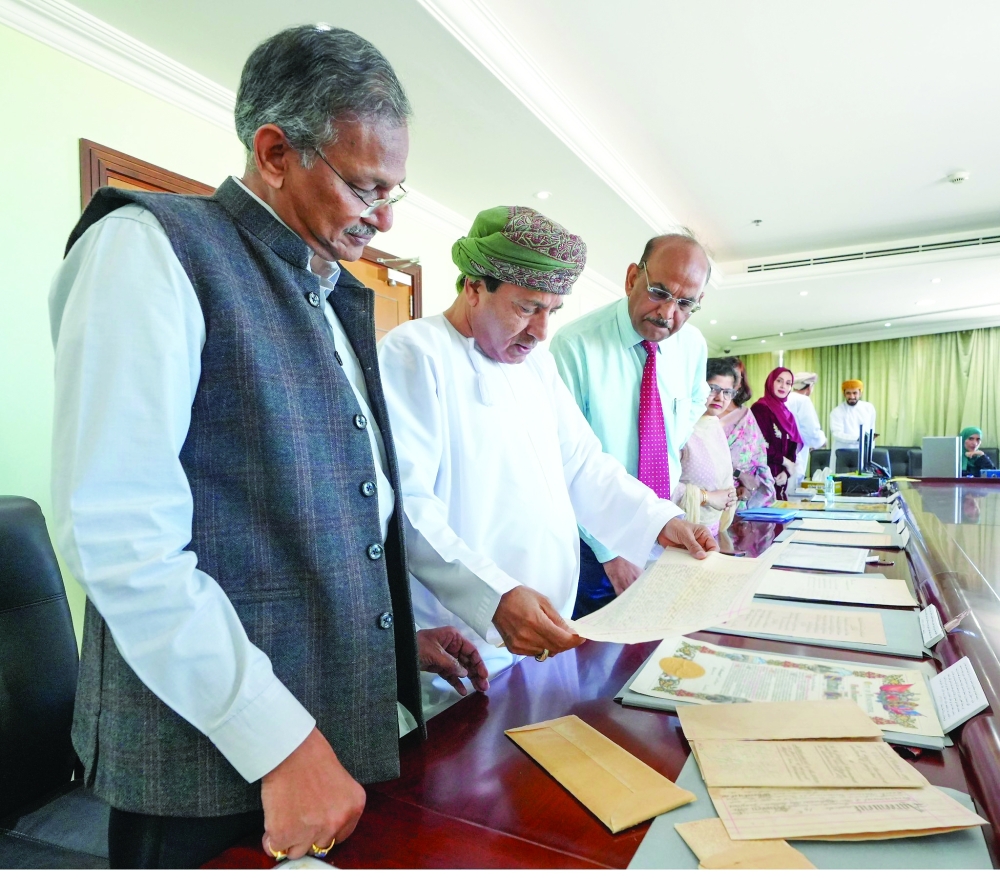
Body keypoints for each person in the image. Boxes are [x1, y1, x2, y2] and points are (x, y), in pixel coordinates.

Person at [48, 25, 489, 869]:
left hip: (327, 730)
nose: (386, 216)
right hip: (207, 765)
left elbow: (318, 512)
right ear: (276, 151)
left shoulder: (324, 287)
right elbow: (122, 540)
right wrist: (278, 740)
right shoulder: (147, 247)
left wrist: (386, 635)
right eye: (367, 187)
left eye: (395, 188)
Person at [378, 207, 719, 717]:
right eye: (526, 308)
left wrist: (660, 521)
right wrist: (493, 598)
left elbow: (583, 463)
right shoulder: (415, 354)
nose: (540, 331)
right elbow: (408, 508)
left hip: (546, 634)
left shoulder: (535, 363)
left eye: (552, 311)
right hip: (467, 644)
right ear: (474, 286)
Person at [548, 233, 712, 616]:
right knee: (602, 663)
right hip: (595, 541)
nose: (668, 313)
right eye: (659, 292)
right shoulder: (574, 346)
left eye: (685, 303)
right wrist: (610, 553)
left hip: (664, 523)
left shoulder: (692, 346)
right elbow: (564, 460)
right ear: (631, 278)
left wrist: (671, 438)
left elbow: (694, 398)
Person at [673, 359, 740, 535]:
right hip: (679, 533)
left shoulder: (714, 425)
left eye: (727, 392)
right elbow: (659, 484)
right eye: (712, 389)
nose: (720, 398)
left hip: (713, 531)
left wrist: (729, 496)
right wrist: (707, 497)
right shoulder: (680, 428)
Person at [719, 358, 775, 509]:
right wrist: (739, 475)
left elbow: (758, 458)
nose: (734, 380)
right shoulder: (704, 414)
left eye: (738, 376)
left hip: (742, 497)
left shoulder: (746, 417)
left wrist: (749, 484)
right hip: (708, 493)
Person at [750, 368, 803, 501]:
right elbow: (760, 446)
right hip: (763, 477)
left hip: (781, 479)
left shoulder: (787, 414)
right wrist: (786, 463)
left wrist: (786, 472)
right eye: (779, 381)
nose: (783, 386)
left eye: (788, 383)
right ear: (770, 382)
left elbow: (792, 446)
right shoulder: (760, 409)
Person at [785, 371, 827, 488]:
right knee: (792, 495)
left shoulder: (784, 398)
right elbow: (811, 430)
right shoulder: (803, 400)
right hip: (795, 456)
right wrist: (822, 441)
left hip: (782, 457)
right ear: (809, 387)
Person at [829, 379, 877, 465]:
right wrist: (858, 439)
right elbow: (836, 434)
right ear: (844, 394)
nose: (852, 396)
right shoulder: (837, 411)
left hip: (864, 453)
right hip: (843, 453)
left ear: (860, 393)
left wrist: (870, 450)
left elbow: (871, 429)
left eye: (855, 393)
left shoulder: (869, 408)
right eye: (848, 393)